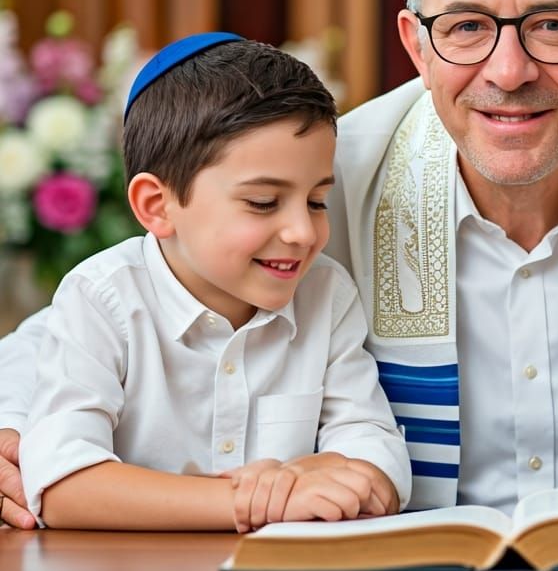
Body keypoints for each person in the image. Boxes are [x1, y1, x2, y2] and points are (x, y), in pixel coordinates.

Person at [0, 0, 558, 525]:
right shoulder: (332, 176)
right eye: (466, 27)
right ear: (417, 46)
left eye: (552, 25)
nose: (507, 72)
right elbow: (112, 310)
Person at [14, 34, 410, 530]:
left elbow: (376, 453)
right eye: (263, 202)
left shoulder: (326, 295)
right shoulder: (102, 298)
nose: (303, 233)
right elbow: (62, 487)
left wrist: (326, 471)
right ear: (157, 206)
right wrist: (251, 503)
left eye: (316, 200)